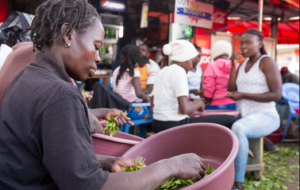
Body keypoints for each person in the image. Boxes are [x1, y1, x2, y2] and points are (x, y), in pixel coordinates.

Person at [0, 1, 207, 189]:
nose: (99, 58)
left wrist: (108, 162)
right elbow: (91, 187)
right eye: (96, 46)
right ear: (67, 34)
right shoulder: (61, 94)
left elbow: (45, 155)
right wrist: (169, 166)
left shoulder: (27, 76)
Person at [227, 29, 282, 190]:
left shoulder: (266, 61)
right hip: (247, 118)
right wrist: (232, 66)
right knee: (226, 125)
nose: (243, 46)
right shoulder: (242, 64)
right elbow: (231, 89)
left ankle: (238, 183)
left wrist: (243, 94)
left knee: (238, 127)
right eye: (241, 43)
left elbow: (277, 94)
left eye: (248, 42)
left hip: (267, 116)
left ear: (259, 44)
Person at [151, 40, 237, 133]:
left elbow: (153, 108)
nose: (192, 65)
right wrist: (199, 103)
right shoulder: (179, 71)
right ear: (185, 59)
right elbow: (185, 109)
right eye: (192, 61)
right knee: (231, 119)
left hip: (157, 123)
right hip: (174, 125)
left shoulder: (162, 71)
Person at [202, 40, 236, 107]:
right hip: (235, 103)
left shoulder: (212, 66)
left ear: (214, 52)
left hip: (218, 105)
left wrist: (204, 97)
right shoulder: (236, 65)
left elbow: (209, 91)